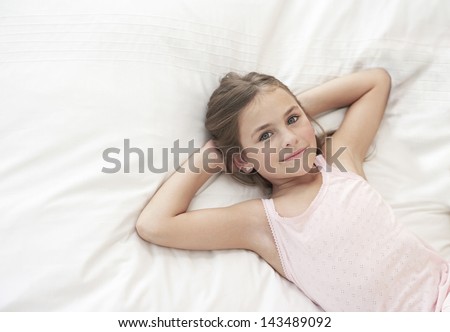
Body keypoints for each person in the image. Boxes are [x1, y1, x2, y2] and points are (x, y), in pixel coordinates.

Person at [136, 68, 450, 311]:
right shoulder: (262, 223)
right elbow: (154, 224)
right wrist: (211, 156)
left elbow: (375, 82)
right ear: (244, 160)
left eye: (293, 119)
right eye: (265, 136)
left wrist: (289, 106)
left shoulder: (339, 163)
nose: (289, 138)